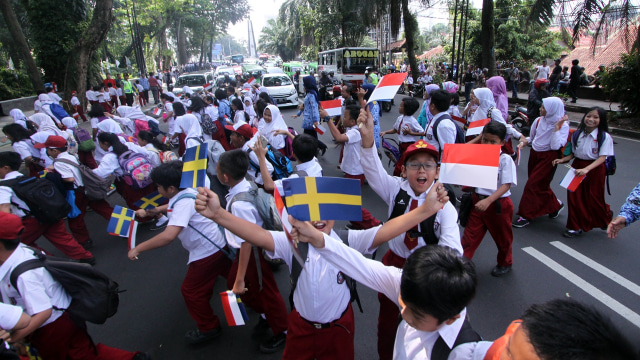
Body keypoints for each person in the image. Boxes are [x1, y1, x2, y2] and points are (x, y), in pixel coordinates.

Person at [360, 106, 463, 360]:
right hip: (393, 263)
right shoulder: (396, 188)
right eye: (414, 164)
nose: (421, 171)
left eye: (428, 165)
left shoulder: (444, 205)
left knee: (420, 330)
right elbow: (373, 173)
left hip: (424, 271)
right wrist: (368, 140)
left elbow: (453, 250)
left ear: (437, 172)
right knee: (386, 327)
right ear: (403, 170)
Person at [0, 212, 148, 360]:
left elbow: (43, 313)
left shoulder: (25, 276)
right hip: (62, 317)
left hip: (54, 326)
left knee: (80, 355)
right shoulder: (21, 251)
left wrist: (15, 337)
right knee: (83, 353)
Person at [128, 161, 232, 345]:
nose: (157, 189)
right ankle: (254, 300)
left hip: (205, 252)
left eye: (158, 186)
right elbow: (173, 207)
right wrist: (151, 211)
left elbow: (168, 236)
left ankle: (209, 327)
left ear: (170, 188)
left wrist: (138, 248)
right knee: (232, 275)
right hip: (217, 244)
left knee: (191, 291)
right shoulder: (188, 191)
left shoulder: (183, 202)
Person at [216, 150, 289, 353]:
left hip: (254, 251)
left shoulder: (239, 203)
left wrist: (240, 278)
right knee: (256, 288)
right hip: (252, 250)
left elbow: (246, 239)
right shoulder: (247, 183)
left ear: (225, 177)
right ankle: (267, 315)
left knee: (263, 290)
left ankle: (283, 330)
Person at [0, 151, 95, 263]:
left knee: (19, 245)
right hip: (49, 212)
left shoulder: (4, 187)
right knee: (62, 238)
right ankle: (84, 257)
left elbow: (4, 211)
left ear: (6, 168)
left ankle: (50, 261)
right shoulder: (29, 178)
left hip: (30, 221)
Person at [461, 122, 517, 277]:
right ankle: (462, 264)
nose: (488, 144)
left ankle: (505, 262)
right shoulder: (477, 155)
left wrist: (488, 201)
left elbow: (506, 185)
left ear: (502, 143)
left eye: (493, 142)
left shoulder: (504, 159)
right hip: (478, 202)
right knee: (469, 237)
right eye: (485, 140)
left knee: (503, 238)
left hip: (498, 205)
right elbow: (461, 152)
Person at [552, 107, 613, 237]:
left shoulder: (604, 137)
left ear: (601, 120)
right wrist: (562, 160)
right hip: (577, 167)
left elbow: (603, 157)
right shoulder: (577, 134)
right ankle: (574, 226)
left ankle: (605, 215)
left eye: (595, 117)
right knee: (574, 197)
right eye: (589, 116)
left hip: (595, 169)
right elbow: (574, 153)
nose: (591, 119)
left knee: (594, 199)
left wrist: (586, 169)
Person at [45, 135, 114, 249]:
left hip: (76, 193)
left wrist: (52, 175)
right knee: (105, 209)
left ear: (54, 150)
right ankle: (127, 227)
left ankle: (84, 241)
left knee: (75, 219)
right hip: (88, 188)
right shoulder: (71, 155)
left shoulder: (58, 163)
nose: (47, 152)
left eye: (48, 150)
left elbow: (69, 178)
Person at [513, 97, 569, 228]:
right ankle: (555, 205)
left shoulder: (562, 126)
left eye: (544, 107)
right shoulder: (538, 121)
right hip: (535, 154)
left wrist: (555, 128)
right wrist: (524, 142)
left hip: (549, 158)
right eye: (542, 106)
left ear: (552, 110)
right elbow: (532, 138)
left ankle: (526, 215)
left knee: (532, 185)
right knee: (540, 185)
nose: (540, 109)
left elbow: (556, 146)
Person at [325, 104, 381, 230]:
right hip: (352, 170)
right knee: (349, 201)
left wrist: (328, 119)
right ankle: (358, 223)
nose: (342, 118)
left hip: (355, 172)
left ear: (352, 121)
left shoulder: (356, 132)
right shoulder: (353, 129)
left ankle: (374, 223)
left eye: (345, 116)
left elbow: (339, 138)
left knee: (349, 202)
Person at [301, 75, 327, 155]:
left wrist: (316, 120)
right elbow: (307, 107)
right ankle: (319, 148)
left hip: (310, 121)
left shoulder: (311, 94)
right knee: (312, 137)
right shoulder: (310, 93)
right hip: (309, 120)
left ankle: (317, 149)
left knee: (308, 138)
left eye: (304, 84)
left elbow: (314, 108)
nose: (303, 85)